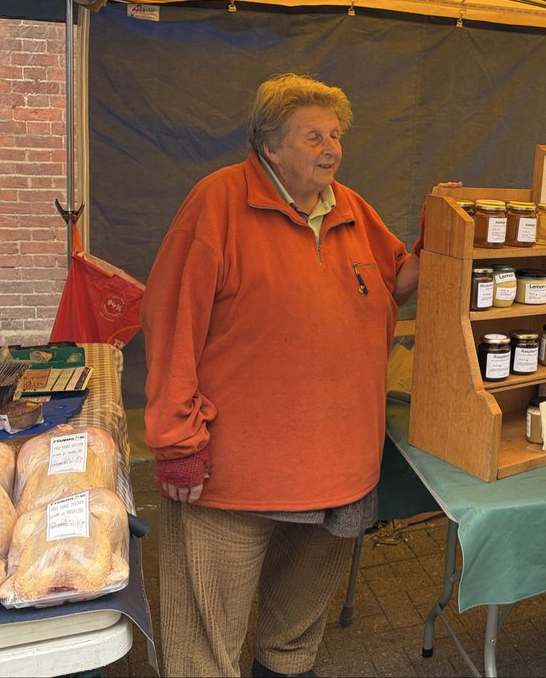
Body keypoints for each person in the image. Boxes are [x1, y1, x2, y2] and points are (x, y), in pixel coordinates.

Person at [142, 73, 447, 678]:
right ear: (270, 145)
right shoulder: (218, 202)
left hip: (337, 471)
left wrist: (441, 237)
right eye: (314, 137)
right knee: (205, 644)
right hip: (235, 477)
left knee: (293, 638)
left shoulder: (352, 208)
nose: (332, 148)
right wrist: (175, 440)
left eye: (335, 135)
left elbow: (396, 283)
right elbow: (171, 319)